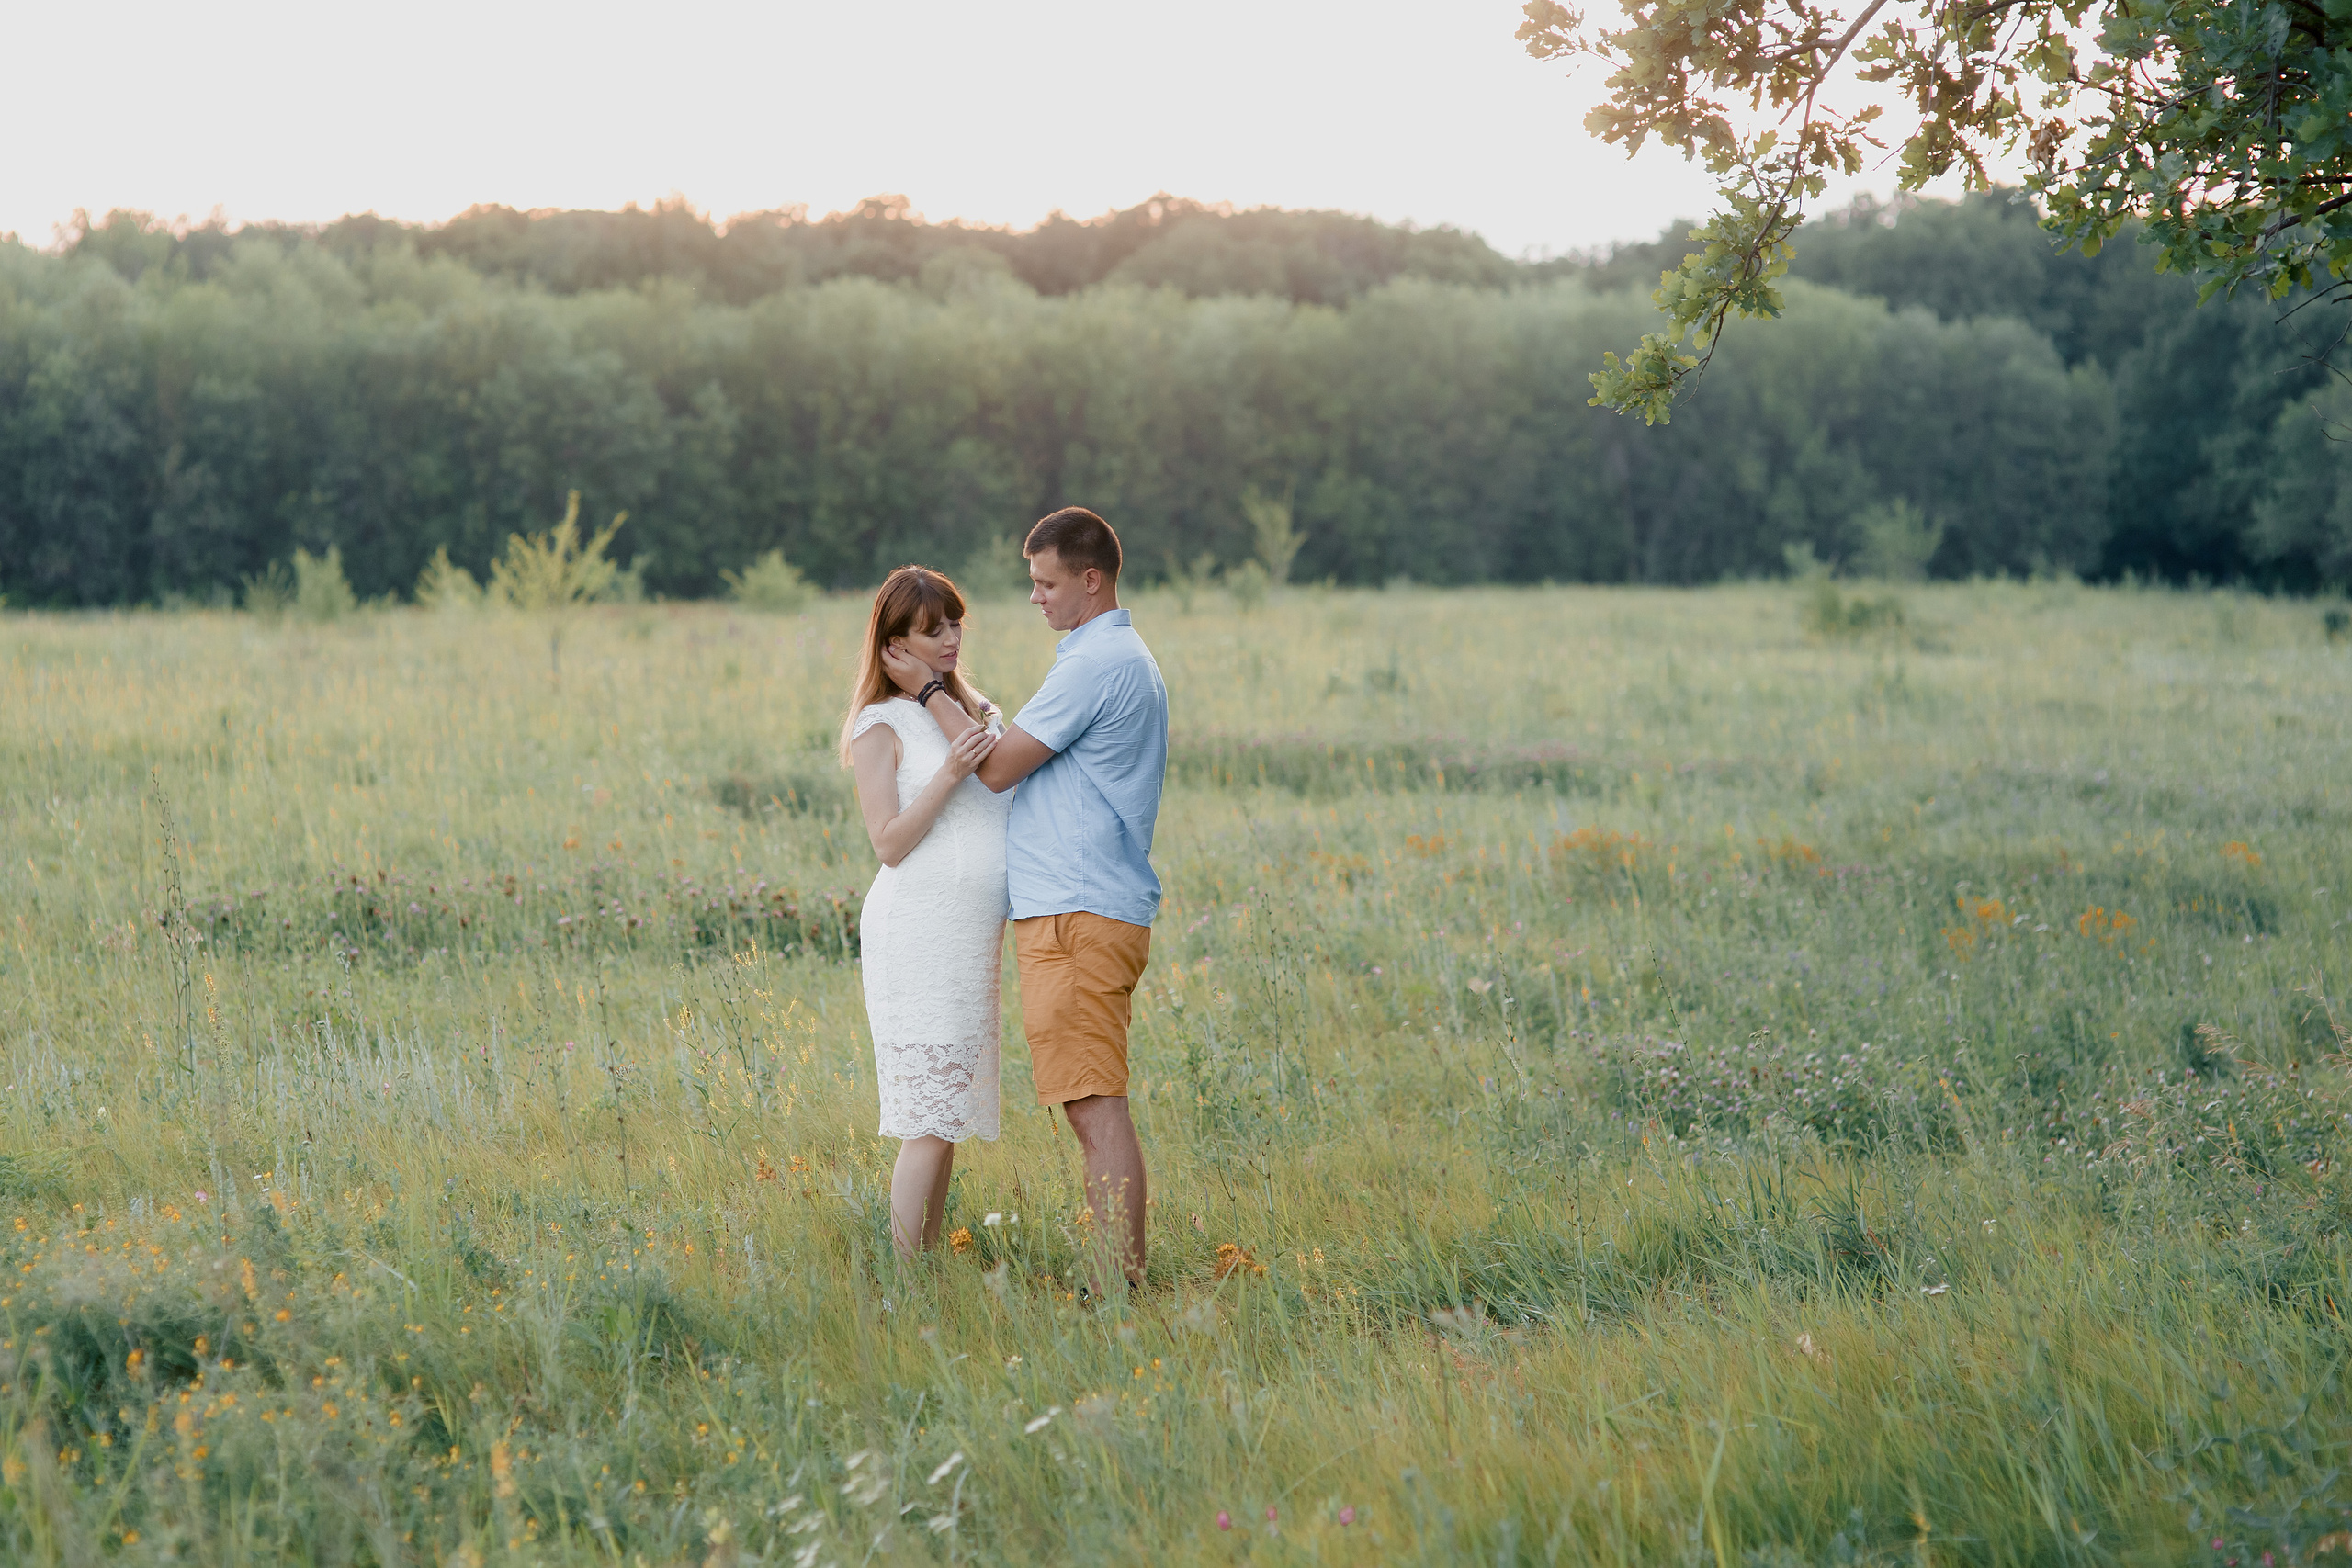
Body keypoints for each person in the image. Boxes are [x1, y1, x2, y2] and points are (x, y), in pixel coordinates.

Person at [888, 507, 1168, 1295]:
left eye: (1046, 583)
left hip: (1078, 912)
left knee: (1092, 1105)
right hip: (1083, 905)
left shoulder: (1097, 663)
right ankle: (1119, 1280)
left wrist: (931, 687)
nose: (1035, 597)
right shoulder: (1104, 656)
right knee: (1090, 1099)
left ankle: (1117, 1285)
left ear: (1091, 579)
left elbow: (999, 766)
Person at [841, 567, 1009, 1260]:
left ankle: (928, 1267)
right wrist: (948, 773)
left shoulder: (977, 710)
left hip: (969, 940)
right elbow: (889, 841)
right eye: (931, 629)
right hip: (917, 933)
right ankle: (905, 1280)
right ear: (894, 645)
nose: (950, 638)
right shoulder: (878, 724)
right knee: (927, 1118)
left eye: (955, 622)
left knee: (948, 1118)